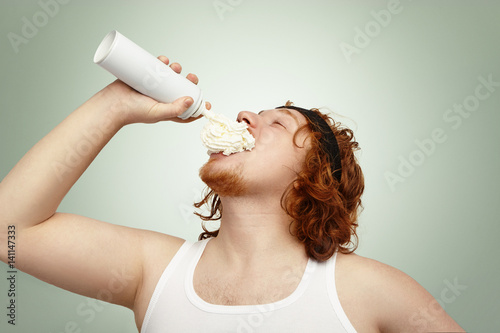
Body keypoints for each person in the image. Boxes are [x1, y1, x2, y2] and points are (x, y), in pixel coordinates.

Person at [0, 56, 464, 333]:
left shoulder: (371, 290)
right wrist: (117, 104)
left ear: (315, 174)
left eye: (278, 122)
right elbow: (9, 231)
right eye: (254, 113)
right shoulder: (153, 271)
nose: (245, 116)